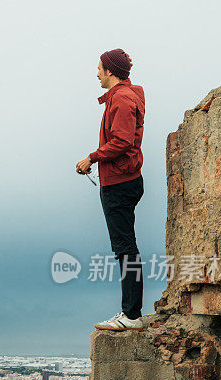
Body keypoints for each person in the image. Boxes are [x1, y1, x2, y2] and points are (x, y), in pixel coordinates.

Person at [75, 49, 145, 331]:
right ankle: (130, 312)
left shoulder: (123, 99)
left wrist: (91, 158)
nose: (97, 73)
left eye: (99, 68)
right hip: (121, 179)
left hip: (119, 183)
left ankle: (131, 315)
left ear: (111, 71)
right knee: (125, 248)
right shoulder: (122, 97)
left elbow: (122, 142)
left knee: (125, 250)